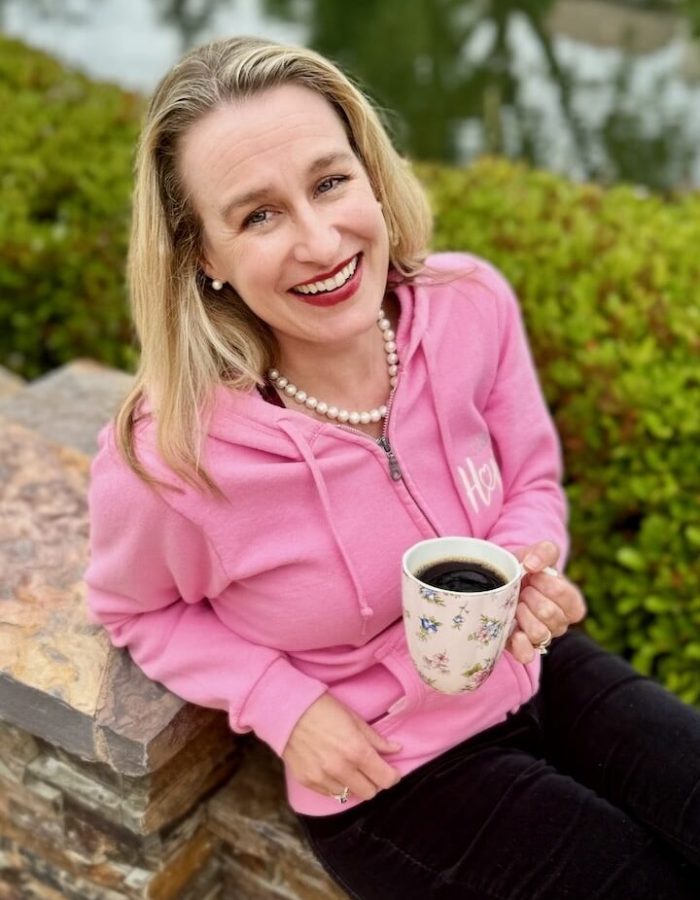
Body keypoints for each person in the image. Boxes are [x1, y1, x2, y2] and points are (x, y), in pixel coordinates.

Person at [85, 36, 700, 899]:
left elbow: (531, 480)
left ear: (372, 174)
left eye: (331, 181)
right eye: (258, 215)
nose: (319, 238)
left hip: (539, 672)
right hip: (396, 773)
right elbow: (130, 608)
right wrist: (280, 704)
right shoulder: (170, 457)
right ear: (202, 258)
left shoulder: (470, 305)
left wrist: (529, 565)